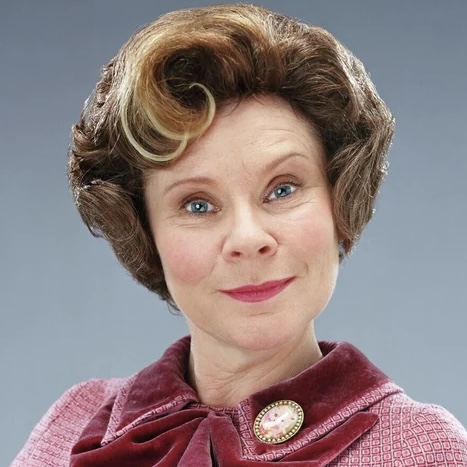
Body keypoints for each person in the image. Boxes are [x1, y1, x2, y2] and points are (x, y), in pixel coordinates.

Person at [12, 4, 467, 466]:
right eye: (197, 205)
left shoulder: (422, 450)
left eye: (282, 189)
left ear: (339, 199)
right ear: (144, 231)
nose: (248, 239)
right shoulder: (76, 424)